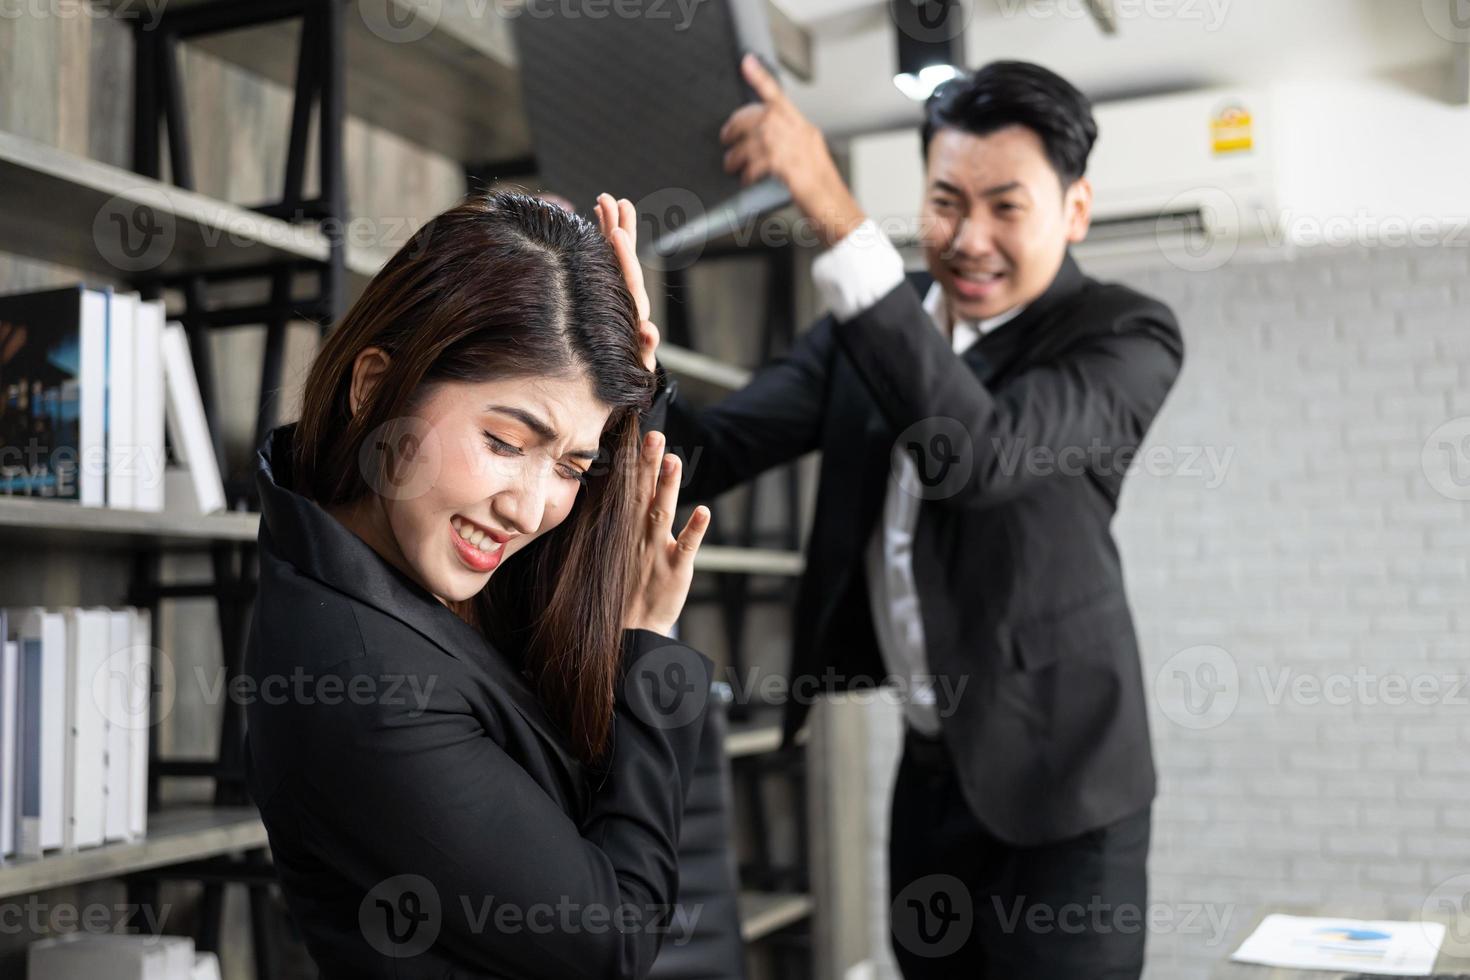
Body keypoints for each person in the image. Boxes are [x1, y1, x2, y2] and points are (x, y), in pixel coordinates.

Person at [637, 58, 1186, 978]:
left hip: (1068, 797)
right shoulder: (868, 332)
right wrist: (624, 349)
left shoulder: (1124, 336)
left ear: (1075, 211)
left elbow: (977, 455)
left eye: (1006, 207)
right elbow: (707, 453)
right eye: (945, 202)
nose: (969, 238)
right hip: (932, 773)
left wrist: (824, 199)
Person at [242, 190, 715, 979]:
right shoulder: (361, 682)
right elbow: (616, 936)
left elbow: (590, 465)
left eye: (571, 466)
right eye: (502, 441)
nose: (530, 509)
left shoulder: (414, 550)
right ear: (375, 390)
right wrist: (648, 648)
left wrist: (623, 368)